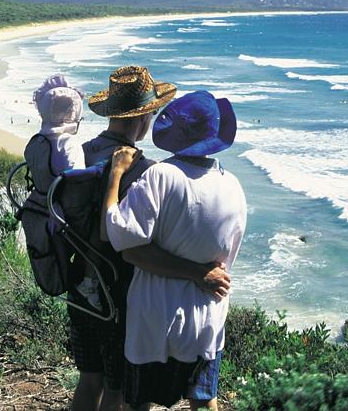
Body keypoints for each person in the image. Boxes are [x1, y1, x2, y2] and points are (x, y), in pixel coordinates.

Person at [70, 67, 232, 411]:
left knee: (89, 380)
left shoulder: (81, 154)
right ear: (144, 117)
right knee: (118, 391)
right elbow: (117, 237)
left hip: (79, 286)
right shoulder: (141, 168)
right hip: (116, 294)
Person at [103, 90, 247, 411]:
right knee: (204, 399)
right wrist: (201, 273)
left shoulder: (162, 175)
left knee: (138, 402)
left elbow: (124, 240)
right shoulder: (233, 184)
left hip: (156, 318)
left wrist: (115, 176)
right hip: (208, 317)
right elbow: (225, 257)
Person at [24, 74, 104, 310]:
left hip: (43, 205)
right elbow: (79, 183)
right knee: (102, 228)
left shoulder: (36, 141)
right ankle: (90, 283)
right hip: (65, 216)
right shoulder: (68, 144)